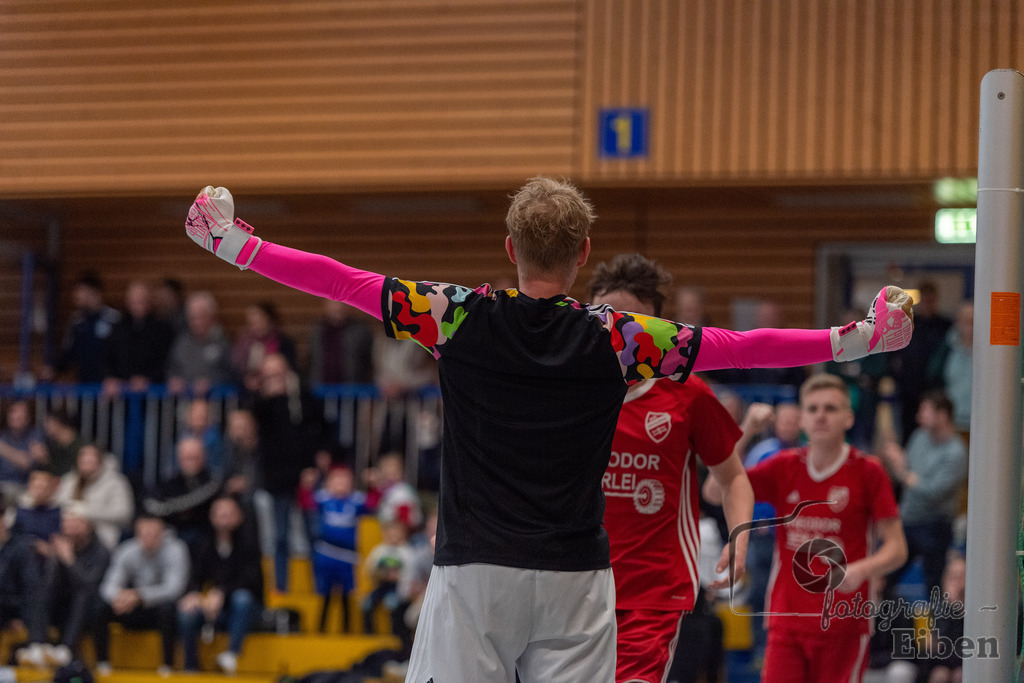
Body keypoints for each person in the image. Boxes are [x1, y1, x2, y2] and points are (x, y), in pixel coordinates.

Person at [185, 178, 914, 682]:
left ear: (510, 248)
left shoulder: (453, 314)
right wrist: (857, 337)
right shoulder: (623, 338)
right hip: (577, 580)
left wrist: (232, 245)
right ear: (583, 253)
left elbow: (342, 280)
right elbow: (741, 347)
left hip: (475, 573)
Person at [587, 253, 754, 683]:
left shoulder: (688, 394)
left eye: (633, 321)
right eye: (607, 318)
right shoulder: (569, 392)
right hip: (575, 586)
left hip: (654, 592)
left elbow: (733, 477)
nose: (619, 331)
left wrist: (739, 538)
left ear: (658, 328)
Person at [705, 373, 908, 683]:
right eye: (812, 409)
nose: (820, 416)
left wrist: (863, 569)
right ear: (802, 419)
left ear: (849, 418)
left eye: (831, 408)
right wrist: (746, 430)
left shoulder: (868, 471)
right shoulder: (784, 465)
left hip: (844, 622)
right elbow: (714, 491)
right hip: (787, 621)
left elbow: (897, 548)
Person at [251, 353, 335, 593]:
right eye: (269, 373)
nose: (275, 377)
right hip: (277, 477)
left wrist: (316, 462)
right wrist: (268, 396)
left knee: (313, 533)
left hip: (306, 476)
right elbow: (256, 422)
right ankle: (281, 588)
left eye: (278, 371)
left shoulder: (303, 397)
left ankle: (319, 588)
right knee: (280, 536)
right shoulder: (262, 401)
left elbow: (321, 428)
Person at [878, 391, 967, 597]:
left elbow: (934, 492)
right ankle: (890, 617)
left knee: (935, 587)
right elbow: (906, 474)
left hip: (935, 525)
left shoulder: (956, 451)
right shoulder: (919, 437)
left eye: (925, 411)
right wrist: (896, 462)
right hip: (908, 521)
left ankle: (937, 620)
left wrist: (905, 473)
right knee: (884, 577)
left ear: (942, 415)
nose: (919, 416)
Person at [16, 502, 110, 669]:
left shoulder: (100, 550)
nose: (70, 527)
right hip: (62, 607)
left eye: (75, 523)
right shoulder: (61, 545)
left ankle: (66, 649)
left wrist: (69, 560)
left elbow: (89, 586)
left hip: (90, 610)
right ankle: (37, 645)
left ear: (88, 526)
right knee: (38, 590)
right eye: (67, 523)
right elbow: (49, 583)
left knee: (82, 596)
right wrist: (55, 558)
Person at [94, 514, 190, 676]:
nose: (149, 539)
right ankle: (102, 663)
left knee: (167, 609)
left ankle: (167, 665)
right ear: (137, 535)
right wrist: (119, 598)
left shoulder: (176, 549)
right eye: (144, 535)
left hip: (157, 608)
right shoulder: (127, 550)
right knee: (99, 607)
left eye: (154, 535)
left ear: (163, 533)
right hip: (130, 607)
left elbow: (174, 589)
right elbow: (108, 586)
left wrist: (140, 596)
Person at [177, 496, 263, 674]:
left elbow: (251, 580)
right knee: (186, 611)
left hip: (246, 609)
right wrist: (194, 595)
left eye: (229, 514)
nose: (225, 518)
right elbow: (195, 577)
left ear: (239, 516)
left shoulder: (250, 543)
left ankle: (232, 654)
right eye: (220, 514)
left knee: (242, 599)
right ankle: (190, 666)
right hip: (215, 606)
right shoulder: (203, 543)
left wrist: (222, 593)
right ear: (212, 517)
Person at [887, 282, 952, 444]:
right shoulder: (909, 324)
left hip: (933, 389)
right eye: (925, 300)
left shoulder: (944, 327)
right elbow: (894, 353)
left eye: (931, 300)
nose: (928, 305)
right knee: (908, 431)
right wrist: (897, 376)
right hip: (909, 389)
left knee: (931, 428)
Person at [312, 466, 368, 633]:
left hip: (347, 556)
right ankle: (320, 631)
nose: (340, 484)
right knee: (325, 594)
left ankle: (347, 631)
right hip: (326, 553)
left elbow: (373, 505)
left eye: (344, 481)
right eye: (336, 480)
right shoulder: (322, 499)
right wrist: (308, 484)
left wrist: (373, 486)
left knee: (346, 595)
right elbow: (304, 501)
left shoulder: (357, 500)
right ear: (329, 483)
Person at [142, 436, 222, 551]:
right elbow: (153, 505)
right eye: (187, 458)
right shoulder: (170, 483)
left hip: (203, 533)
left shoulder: (212, 483)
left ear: (203, 458)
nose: (190, 462)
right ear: (179, 459)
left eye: (194, 457)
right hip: (171, 532)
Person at [101, 280, 173, 397]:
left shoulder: (162, 329)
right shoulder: (118, 328)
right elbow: (107, 357)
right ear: (128, 303)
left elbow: (167, 361)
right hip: (122, 394)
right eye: (134, 302)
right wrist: (110, 377)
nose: (138, 306)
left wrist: (148, 378)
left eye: (142, 301)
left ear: (150, 301)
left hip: (153, 395)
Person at [45, 271, 120, 383]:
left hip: (110, 387)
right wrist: (53, 369)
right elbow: (69, 353)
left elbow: (123, 354)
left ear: (94, 292)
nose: (76, 295)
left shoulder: (114, 319)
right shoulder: (76, 321)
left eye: (80, 290)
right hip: (84, 386)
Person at [55, 444, 134, 549]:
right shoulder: (69, 480)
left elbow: (124, 513)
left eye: (90, 460)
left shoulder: (116, 482)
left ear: (100, 461)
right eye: (83, 459)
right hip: (69, 532)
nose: (86, 463)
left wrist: (88, 511)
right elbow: (59, 505)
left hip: (102, 534)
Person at [166, 291, 234, 396]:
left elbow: (231, 374)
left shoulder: (223, 343)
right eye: (193, 318)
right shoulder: (181, 342)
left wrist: (211, 382)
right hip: (185, 399)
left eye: (201, 317)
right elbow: (172, 368)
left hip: (215, 399)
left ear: (212, 316)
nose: (197, 322)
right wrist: (174, 379)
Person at [361, 519, 416, 636]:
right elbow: (369, 569)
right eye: (391, 532)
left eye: (396, 532)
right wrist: (380, 574)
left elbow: (410, 573)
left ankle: (394, 635)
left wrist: (397, 576)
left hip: (399, 588)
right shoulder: (379, 550)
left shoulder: (407, 552)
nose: (393, 535)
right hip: (382, 586)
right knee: (366, 605)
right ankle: (370, 635)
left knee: (392, 604)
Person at [231, 300, 298, 395]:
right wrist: (247, 380)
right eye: (252, 322)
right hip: (248, 387)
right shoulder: (244, 342)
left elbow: (290, 366)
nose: (256, 325)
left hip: (277, 384)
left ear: (268, 320)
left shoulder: (283, 341)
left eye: (259, 321)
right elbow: (236, 369)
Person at [306, 298, 376, 387]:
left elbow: (368, 360)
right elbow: (312, 359)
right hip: (321, 387)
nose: (338, 307)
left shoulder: (360, 330)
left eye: (341, 303)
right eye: (333, 303)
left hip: (353, 387)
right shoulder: (317, 331)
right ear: (326, 305)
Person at [0, 399, 48, 499]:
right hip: (2, 486)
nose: (16, 416)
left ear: (28, 417)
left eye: (22, 413)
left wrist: (3, 448)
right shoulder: (3, 435)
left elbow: (26, 463)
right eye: (13, 412)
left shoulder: (35, 435)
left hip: (25, 488)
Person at [42, 408, 84, 478]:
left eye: (48, 423)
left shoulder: (81, 446)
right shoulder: (54, 445)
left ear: (57, 423)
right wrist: (44, 460)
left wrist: (45, 460)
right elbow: (55, 472)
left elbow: (67, 473)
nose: (45, 428)